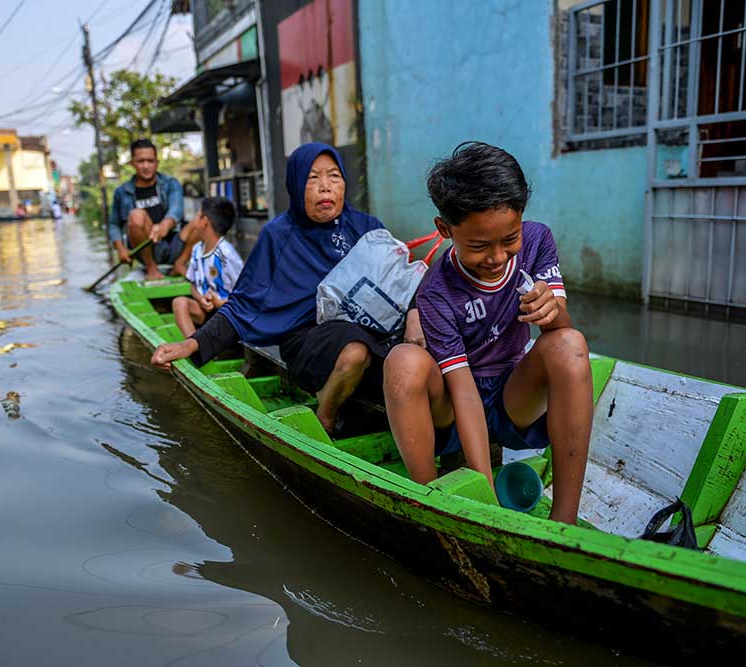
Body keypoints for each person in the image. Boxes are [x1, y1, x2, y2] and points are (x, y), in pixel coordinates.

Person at [383, 142, 592, 525]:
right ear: (444, 230)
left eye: (509, 240)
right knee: (402, 362)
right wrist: (487, 495)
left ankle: (566, 523)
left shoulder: (538, 242)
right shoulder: (435, 291)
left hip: (514, 399)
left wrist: (552, 313)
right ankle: (432, 506)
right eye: (479, 246)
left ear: (521, 220)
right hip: (453, 403)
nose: (497, 258)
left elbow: (560, 329)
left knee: (570, 344)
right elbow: (462, 389)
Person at [151, 142, 424, 434]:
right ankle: (325, 417)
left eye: (334, 176)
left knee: (420, 350)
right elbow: (242, 305)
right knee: (354, 349)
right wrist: (191, 343)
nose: (325, 187)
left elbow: (402, 280)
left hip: (373, 330)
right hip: (307, 339)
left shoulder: (367, 227)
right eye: (312, 178)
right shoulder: (277, 235)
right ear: (295, 185)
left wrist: (414, 313)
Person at [109, 138, 192, 281]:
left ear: (157, 163)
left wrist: (165, 225)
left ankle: (179, 264)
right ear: (132, 163)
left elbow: (177, 209)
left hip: (174, 245)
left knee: (203, 220)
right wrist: (121, 249)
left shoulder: (170, 183)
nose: (146, 166)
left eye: (150, 161)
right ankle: (151, 268)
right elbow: (113, 224)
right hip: (146, 250)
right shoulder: (122, 192)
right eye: (140, 161)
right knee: (136, 216)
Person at [172, 197, 243, 337]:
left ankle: (204, 345)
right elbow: (193, 285)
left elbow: (245, 295)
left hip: (228, 314)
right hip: (207, 312)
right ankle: (194, 346)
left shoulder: (227, 255)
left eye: (197, 215)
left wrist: (220, 303)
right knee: (179, 303)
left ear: (204, 222)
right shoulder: (197, 249)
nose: (194, 219)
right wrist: (200, 298)